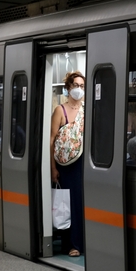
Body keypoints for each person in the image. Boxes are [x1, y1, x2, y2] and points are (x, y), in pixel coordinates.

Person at [50, 71, 86, 257]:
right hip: (66, 165)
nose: (79, 89)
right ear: (68, 87)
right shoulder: (60, 110)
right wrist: (53, 168)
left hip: (84, 163)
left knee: (82, 202)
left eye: (82, 86)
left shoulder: (87, 110)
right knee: (69, 204)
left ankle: (83, 242)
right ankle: (72, 244)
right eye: (76, 85)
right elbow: (52, 140)